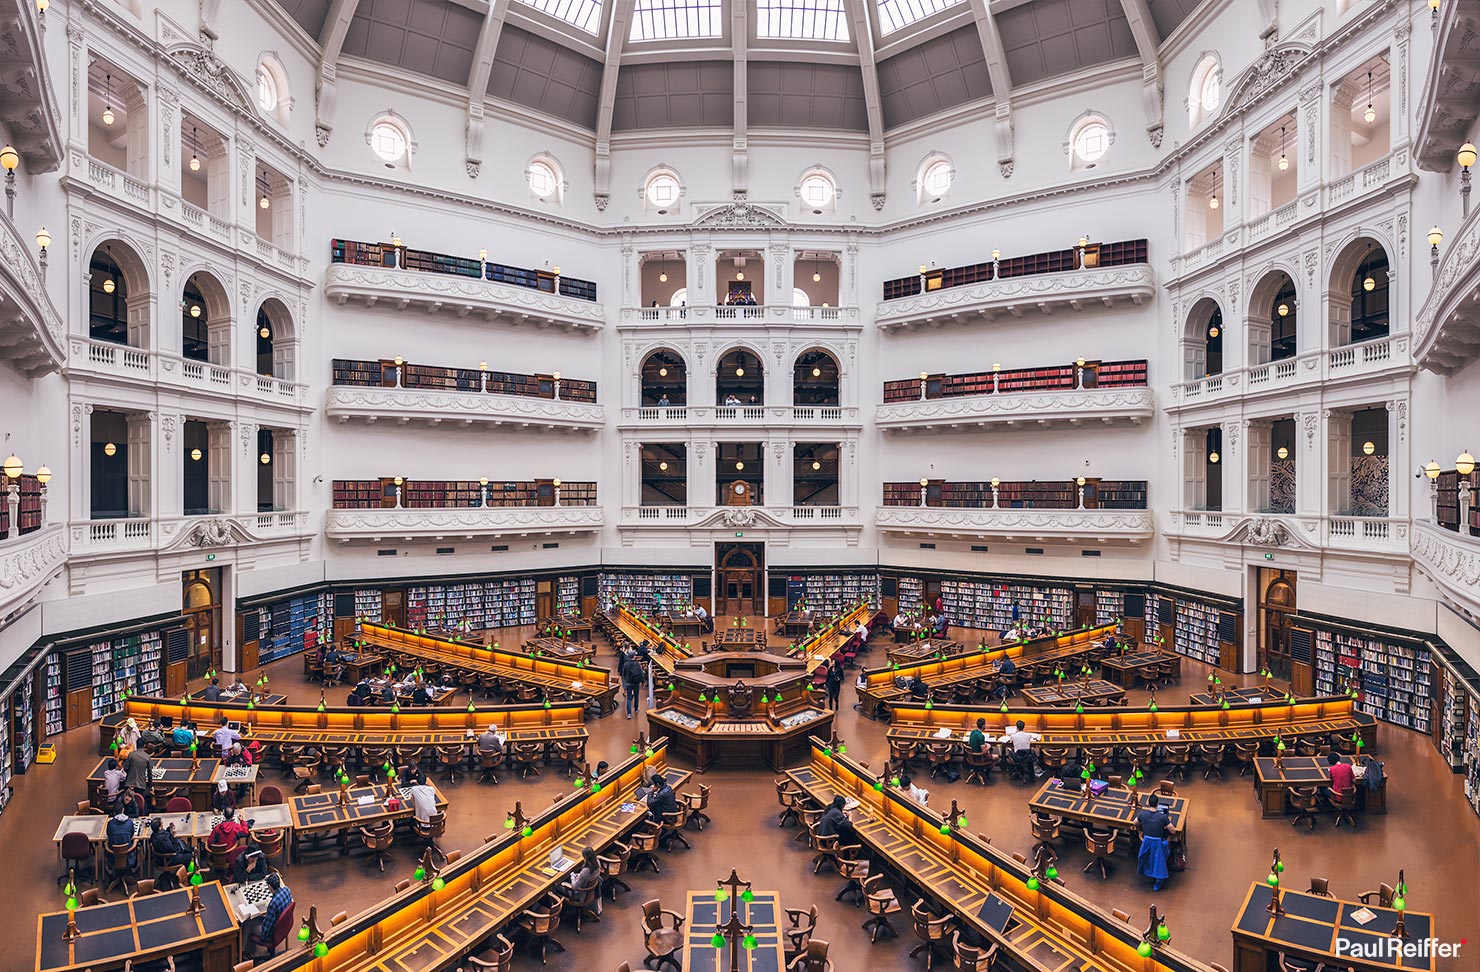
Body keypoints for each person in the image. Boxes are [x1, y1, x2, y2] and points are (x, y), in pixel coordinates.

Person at [1134, 794, 1173, 891]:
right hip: (1158, 845)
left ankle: (1147, 871)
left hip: (1146, 843)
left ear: (1148, 803)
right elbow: (1173, 831)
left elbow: (1134, 823)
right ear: (1157, 804)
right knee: (1168, 842)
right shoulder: (1162, 817)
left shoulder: (1143, 815)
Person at [558, 847, 602, 914]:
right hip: (591, 892)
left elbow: (575, 887)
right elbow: (587, 876)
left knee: (556, 886)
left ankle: (561, 911)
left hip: (581, 895)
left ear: (586, 858)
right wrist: (579, 875)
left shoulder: (585, 872)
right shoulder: (597, 863)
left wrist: (572, 877)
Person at [255, 873, 293, 944]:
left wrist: (263, 938)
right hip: (285, 926)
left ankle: (244, 951)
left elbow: (266, 929)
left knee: (248, 925)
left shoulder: (273, 903)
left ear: (269, 886)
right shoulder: (287, 890)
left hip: (272, 934)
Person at [621, 652, 645, 719]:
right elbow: (641, 673)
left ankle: (629, 713)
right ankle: (636, 708)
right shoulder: (637, 664)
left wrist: (625, 682)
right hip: (636, 683)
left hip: (628, 683)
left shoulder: (626, 664)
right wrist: (642, 682)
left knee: (629, 698)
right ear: (634, 656)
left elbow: (624, 674)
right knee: (636, 695)